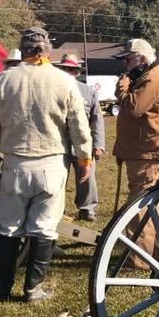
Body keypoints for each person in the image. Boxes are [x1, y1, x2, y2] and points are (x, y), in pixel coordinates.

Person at [0, 27, 92, 302]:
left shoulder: (4, 80)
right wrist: (84, 159)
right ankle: (33, 288)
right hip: (52, 165)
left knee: (8, 228)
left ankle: (3, 288)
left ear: (23, 49)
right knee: (44, 228)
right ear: (47, 51)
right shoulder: (64, 82)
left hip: (15, 164)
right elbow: (79, 128)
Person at [111, 38, 159, 268]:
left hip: (150, 154)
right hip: (147, 152)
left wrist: (122, 90)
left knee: (140, 206)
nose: (125, 65)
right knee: (153, 205)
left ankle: (140, 258)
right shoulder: (149, 77)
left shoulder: (153, 78)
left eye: (128, 60)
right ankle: (156, 252)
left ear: (140, 58)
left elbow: (133, 108)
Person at [55, 53, 105, 221]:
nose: (69, 72)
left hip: (83, 143)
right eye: (65, 69)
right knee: (57, 178)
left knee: (87, 177)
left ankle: (87, 209)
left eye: (72, 70)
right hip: (58, 142)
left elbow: (97, 119)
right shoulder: (52, 90)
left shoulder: (88, 92)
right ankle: (55, 210)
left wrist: (99, 144)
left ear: (78, 72)